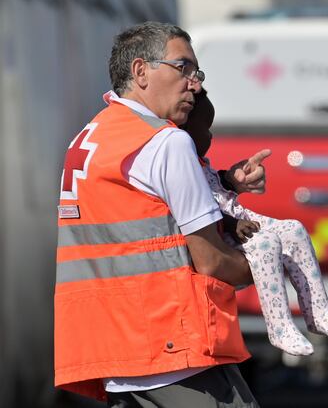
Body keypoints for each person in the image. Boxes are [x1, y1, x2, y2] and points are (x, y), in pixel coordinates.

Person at [55, 22, 269, 407]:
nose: (195, 84)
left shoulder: (90, 137)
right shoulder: (166, 141)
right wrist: (269, 265)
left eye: (197, 73)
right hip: (176, 353)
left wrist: (226, 183)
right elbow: (212, 262)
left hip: (118, 359)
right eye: (183, 68)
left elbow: (138, 223)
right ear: (140, 71)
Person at [183, 88, 328, 356]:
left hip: (237, 219)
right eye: (207, 129)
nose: (211, 136)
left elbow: (215, 186)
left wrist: (231, 179)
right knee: (266, 244)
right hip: (221, 232)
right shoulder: (181, 162)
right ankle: (279, 327)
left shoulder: (199, 162)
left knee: (294, 229)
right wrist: (229, 224)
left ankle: (317, 312)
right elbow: (193, 206)